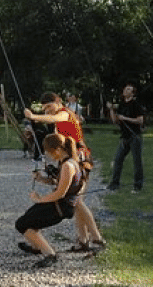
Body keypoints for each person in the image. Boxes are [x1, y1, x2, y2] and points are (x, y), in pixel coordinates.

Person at [24, 92, 106, 253]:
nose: (47, 111)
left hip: (80, 159)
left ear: (58, 102)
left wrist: (34, 116)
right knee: (76, 201)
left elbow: (56, 119)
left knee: (77, 201)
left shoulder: (64, 114)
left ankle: (96, 238)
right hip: (73, 159)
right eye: (44, 108)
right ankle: (83, 240)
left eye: (49, 106)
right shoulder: (61, 116)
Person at [14, 133, 84, 268]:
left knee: (21, 224)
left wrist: (39, 200)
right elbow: (58, 183)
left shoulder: (68, 166)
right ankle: (36, 245)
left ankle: (50, 254)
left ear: (58, 150)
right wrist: (41, 179)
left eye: (48, 151)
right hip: (59, 204)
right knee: (28, 217)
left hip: (61, 208)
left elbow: (60, 193)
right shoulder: (68, 162)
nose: (47, 155)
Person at [106, 82, 145, 192]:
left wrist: (125, 118)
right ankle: (114, 184)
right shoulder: (122, 104)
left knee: (137, 162)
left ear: (132, 94)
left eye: (128, 89)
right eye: (125, 89)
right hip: (124, 138)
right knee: (118, 160)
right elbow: (115, 121)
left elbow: (141, 120)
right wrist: (111, 109)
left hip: (134, 136)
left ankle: (138, 186)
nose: (125, 90)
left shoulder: (136, 104)